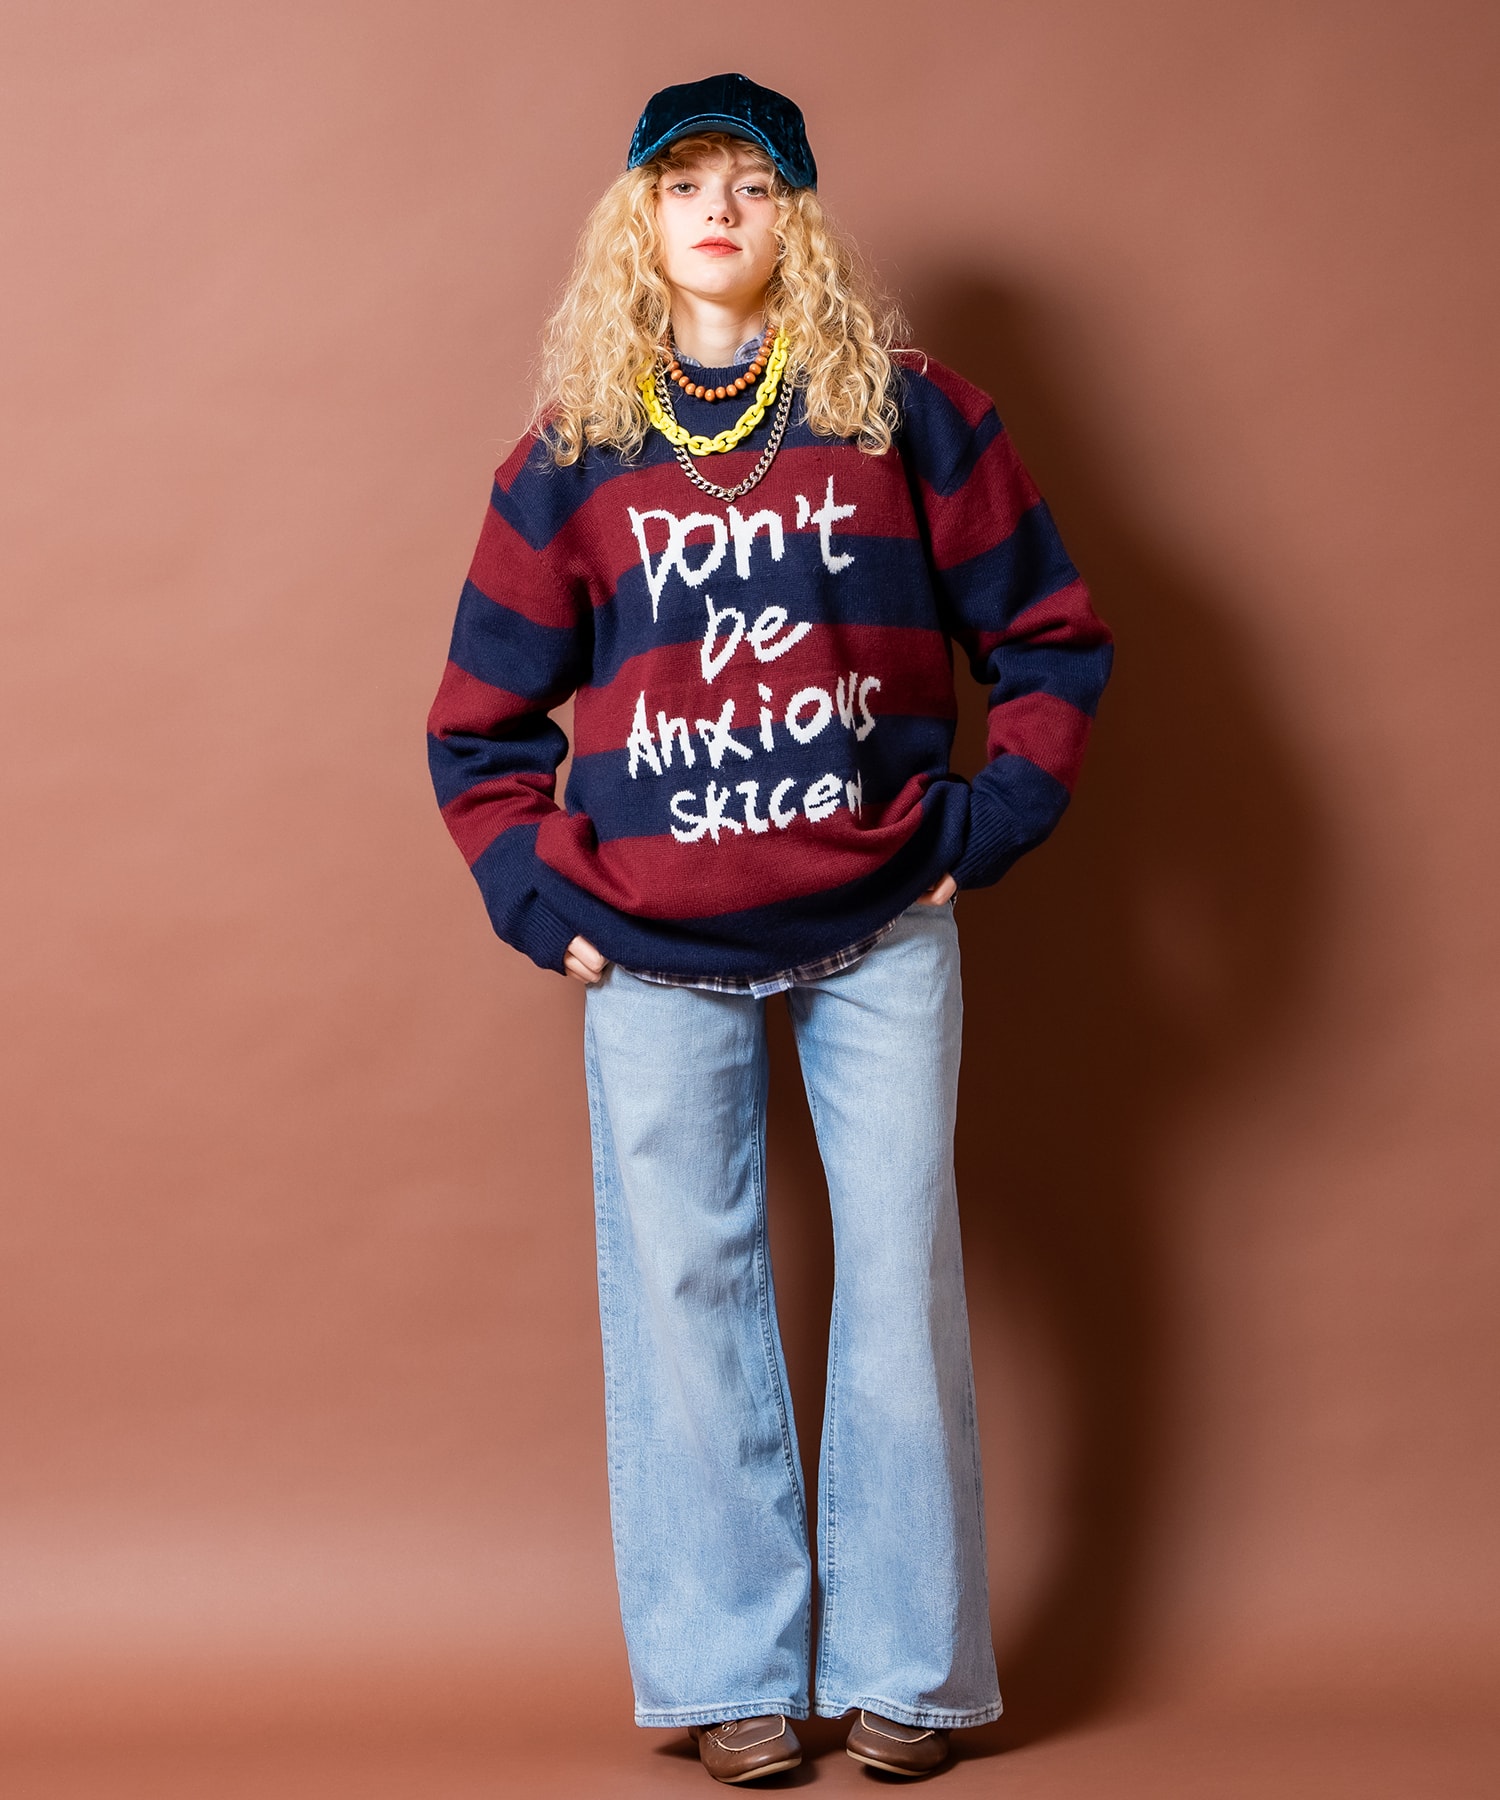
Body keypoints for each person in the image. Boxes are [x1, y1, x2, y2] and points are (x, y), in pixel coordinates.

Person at [427, 73, 1112, 1785]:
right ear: (639, 220)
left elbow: (1049, 637)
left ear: (795, 214)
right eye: (684, 184)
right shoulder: (573, 454)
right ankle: (730, 1672)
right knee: (687, 1287)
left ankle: (909, 1675)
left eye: (751, 182)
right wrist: (536, 892)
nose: (718, 210)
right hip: (652, 939)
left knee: (897, 1274)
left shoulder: (910, 417)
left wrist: (987, 822)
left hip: (880, 919)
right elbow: (479, 726)